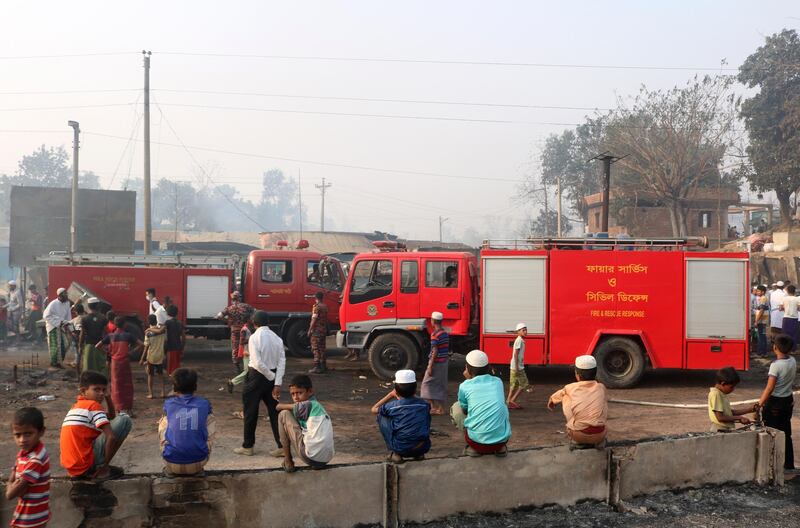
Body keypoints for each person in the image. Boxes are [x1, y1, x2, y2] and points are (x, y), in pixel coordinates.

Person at [60, 370, 132, 481]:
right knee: (124, 419)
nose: (101, 393)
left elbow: (111, 416)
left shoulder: (77, 406)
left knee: (111, 423)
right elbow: (111, 437)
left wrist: (108, 398)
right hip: (86, 465)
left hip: (73, 468)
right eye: (96, 389)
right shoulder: (93, 406)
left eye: (104, 390)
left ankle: (97, 467)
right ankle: (101, 469)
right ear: (84, 391)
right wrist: (105, 466)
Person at [234, 310, 285, 458]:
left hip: (256, 376)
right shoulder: (277, 338)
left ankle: (248, 446)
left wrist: (270, 376)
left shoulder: (255, 337)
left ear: (254, 323)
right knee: (274, 411)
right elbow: (282, 361)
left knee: (250, 412)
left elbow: (257, 363)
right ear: (268, 322)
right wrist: (277, 381)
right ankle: (282, 446)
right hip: (272, 377)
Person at [450, 350, 511, 457]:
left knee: (456, 407)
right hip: (501, 441)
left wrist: (468, 380)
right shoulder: (498, 381)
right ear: (488, 367)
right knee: (502, 406)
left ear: (467, 369)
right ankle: (500, 448)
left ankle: (473, 448)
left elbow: (465, 409)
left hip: (476, 443)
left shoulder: (464, 386)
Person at [158, 368, 216, 476]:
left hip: (171, 462)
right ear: (195, 386)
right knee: (209, 418)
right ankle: (197, 465)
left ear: (174, 387)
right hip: (199, 462)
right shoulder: (204, 403)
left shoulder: (169, 403)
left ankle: (170, 468)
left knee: (164, 420)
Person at [275, 374, 334, 473]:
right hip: (326, 458)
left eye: (299, 393)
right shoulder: (317, 406)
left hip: (311, 456)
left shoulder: (309, 405)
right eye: (293, 394)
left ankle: (288, 461)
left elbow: (280, 407)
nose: (296, 397)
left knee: (283, 414)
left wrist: (279, 405)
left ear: (310, 391)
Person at [547, 355, 608, 448]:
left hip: (578, 435)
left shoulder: (570, 387)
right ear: (595, 373)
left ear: (577, 375)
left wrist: (552, 401)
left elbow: (555, 397)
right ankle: (599, 441)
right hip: (600, 434)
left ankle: (577, 439)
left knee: (565, 396)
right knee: (602, 399)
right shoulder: (601, 387)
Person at [372, 369, 431, 464]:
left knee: (381, 415)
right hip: (423, 447)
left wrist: (390, 395)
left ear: (396, 389)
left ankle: (396, 454)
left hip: (401, 448)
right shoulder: (424, 405)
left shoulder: (393, 407)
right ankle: (418, 454)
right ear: (415, 388)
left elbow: (374, 409)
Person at [756, 333, 797, 471]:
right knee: (786, 433)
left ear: (775, 348)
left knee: (771, 433)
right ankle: (789, 464)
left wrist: (759, 405)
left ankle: (771, 466)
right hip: (788, 401)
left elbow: (769, 388)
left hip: (775, 402)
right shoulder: (792, 360)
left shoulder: (776, 365)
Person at [6, 407, 50, 528]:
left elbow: (9, 495)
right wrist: (13, 483)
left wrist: (11, 484)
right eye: (17, 435)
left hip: (30, 519)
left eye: (28, 434)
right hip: (33, 514)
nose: (22, 440)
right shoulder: (25, 453)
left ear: (41, 432)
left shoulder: (35, 460)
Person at [97, 317, 143, 415]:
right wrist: (130, 352)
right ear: (124, 324)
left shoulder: (110, 336)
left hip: (115, 363)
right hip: (125, 362)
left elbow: (97, 345)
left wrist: (108, 353)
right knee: (127, 385)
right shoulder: (128, 335)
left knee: (116, 386)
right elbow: (141, 344)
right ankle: (128, 409)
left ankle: (118, 409)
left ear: (115, 324)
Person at [216, 292, 255, 375]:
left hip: (235, 331)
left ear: (232, 299)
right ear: (240, 298)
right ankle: (248, 366)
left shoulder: (229, 308)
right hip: (245, 331)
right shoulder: (246, 306)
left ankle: (237, 367)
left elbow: (218, 316)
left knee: (235, 348)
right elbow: (256, 313)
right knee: (246, 347)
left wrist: (228, 321)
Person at [708, 367, 754, 432]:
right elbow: (720, 417)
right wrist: (739, 418)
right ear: (723, 383)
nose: (733, 389)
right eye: (731, 387)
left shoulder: (721, 394)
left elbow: (730, 413)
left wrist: (749, 410)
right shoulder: (715, 394)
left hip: (724, 429)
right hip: (720, 429)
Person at [420, 311, 449, 415]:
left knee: (426, 384)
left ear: (433, 321)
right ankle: (438, 408)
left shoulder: (434, 335)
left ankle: (434, 407)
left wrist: (430, 366)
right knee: (440, 384)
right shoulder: (444, 333)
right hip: (444, 362)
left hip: (436, 363)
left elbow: (434, 351)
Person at [78, 298, 108, 376]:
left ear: (88, 306)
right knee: (101, 365)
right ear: (98, 306)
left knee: (88, 366)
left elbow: (82, 333)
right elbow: (105, 333)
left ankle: (89, 384)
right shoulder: (103, 318)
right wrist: (106, 345)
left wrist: (80, 345)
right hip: (100, 345)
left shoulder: (84, 318)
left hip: (89, 346)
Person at [43, 288, 71, 369]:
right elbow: (45, 316)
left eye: (66, 294)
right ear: (60, 296)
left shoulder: (67, 303)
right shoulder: (53, 304)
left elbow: (68, 316)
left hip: (62, 326)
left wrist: (67, 324)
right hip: (53, 327)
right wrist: (58, 322)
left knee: (66, 344)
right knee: (56, 345)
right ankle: (54, 363)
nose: (66, 296)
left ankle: (59, 361)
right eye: (65, 294)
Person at [140, 314, 167, 399]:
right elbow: (165, 342)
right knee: (160, 374)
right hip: (160, 355)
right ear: (156, 320)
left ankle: (151, 393)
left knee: (150, 375)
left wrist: (142, 358)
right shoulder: (162, 330)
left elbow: (146, 346)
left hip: (151, 356)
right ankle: (163, 392)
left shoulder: (148, 333)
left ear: (148, 322)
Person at [227, 318, 255, 396]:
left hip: (249, 351)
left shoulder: (249, 329)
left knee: (249, 371)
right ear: (248, 320)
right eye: (251, 319)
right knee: (247, 371)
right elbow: (241, 342)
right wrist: (252, 339)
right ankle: (232, 382)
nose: (253, 320)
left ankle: (248, 387)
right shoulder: (244, 330)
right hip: (246, 352)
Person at [507, 323, 529, 410]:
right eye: (523, 330)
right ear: (518, 331)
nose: (525, 332)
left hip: (516, 366)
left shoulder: (520, 340)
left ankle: (509, 402)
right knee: (524, 385)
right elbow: (515, 354)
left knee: (514, 385)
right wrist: (516, 367)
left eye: (526, 330)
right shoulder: (519, 340)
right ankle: (511, 401)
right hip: (518, 367)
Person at [307, 292, 329, 374]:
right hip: (323, 330)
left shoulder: (316, 307)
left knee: (315, 348)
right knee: (322, 348)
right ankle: (324, 366)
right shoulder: (325, 306)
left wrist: (310, 330)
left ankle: (317, 367)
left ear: (315, 298)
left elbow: (314, 320)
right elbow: (326, 319)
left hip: (316, 331)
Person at [164, 305, 185, 376]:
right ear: (177, 313)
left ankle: (174, 382)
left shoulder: (167, 323)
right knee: (177, 365)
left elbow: (165, 338)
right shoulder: (180, 323)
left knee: (171, 369)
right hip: (178, 347)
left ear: (167, 313)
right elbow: (183, 338)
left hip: (171, 348)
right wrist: (182, 348)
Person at [753, 285, 770, 357]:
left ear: (763, 292)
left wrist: (756, 320)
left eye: (758, 291)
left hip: (762, 321)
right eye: (757, 291)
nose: (757, 292)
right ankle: (764, 352)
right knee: (762, 336)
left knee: (761, 337)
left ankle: (760, 353)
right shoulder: (763, 298)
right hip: (763, 320)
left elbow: (762, 310)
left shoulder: (763, 298)